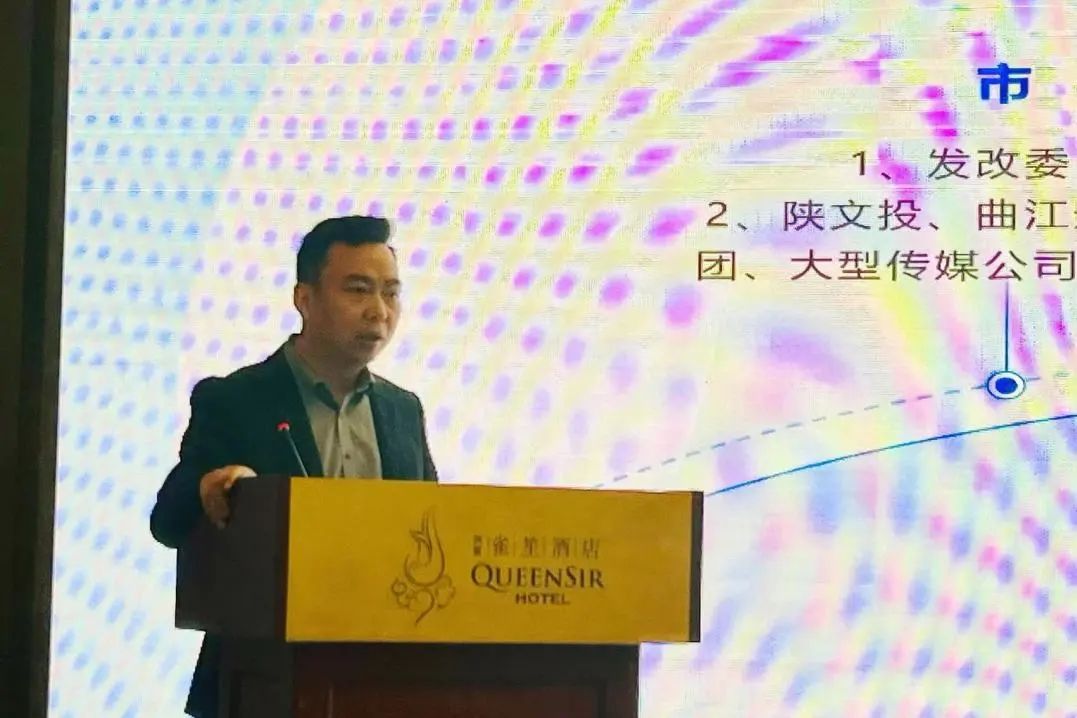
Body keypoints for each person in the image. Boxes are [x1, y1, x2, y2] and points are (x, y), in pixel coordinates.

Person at [149, 215, 439, 718]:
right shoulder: (237, 399)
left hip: (383, 681)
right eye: (358, 290)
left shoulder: (402, 410)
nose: (379, 311)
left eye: (391, 293)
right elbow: (168, 520)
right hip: (262, 679)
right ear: (305, 299)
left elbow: (433, 526)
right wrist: (211, 487)